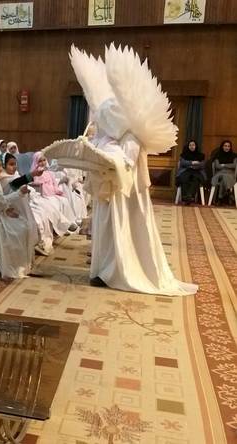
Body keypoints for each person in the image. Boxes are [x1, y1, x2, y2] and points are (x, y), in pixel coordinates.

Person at [69, 44, 197, 295]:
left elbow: (124, 162)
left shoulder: (131, 137)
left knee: (123, 230)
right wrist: (88, 148)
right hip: (107, 194)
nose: (102, 123)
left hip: (125, 196)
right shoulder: (107, 135)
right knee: (104, 231)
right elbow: (99, 149)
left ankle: (118, 270)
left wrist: (102, 156)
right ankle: (101, 270)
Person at [0, 153, 53, 255]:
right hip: (9, 210)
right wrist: (33, 174)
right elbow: (15, 183)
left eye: (15, 164)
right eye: (11, 164)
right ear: (3, 166)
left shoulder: (15, 175)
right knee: (25, 227)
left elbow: (19, 183)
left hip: (21, 207)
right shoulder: (3, 178)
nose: (14, 167)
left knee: (37, 217)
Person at [31, 152, 79, 227]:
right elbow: (37, 185)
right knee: (54, 203)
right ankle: (64, 224)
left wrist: (57, 191)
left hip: (52, 193)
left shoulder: (49, 172)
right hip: (44, 195)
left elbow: (54, 183)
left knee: (64, 200)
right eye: (40, 161)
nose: (43, 163)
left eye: (44, 160)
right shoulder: (36, 173)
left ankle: (71, 221)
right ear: (36, 162)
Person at [176, 139, 206, 204]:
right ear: (188, 146)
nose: (192, 146)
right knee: (184, 178)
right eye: (190, 145)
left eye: (193, 145)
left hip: (197, 171)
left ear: (196, 146)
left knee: (196, 179)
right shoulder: (183, 154)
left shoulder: (201, 155)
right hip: (186, 170)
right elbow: (183, 163)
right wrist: (192, 162)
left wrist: (194, 166)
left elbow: (202, 164)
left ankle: (189, 196)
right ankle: (186, 197)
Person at [209, 140, 236, 205]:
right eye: (225, 146)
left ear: (230, 147)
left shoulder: (234, 155)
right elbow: (217, 166)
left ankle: (220, 198)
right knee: (224, 176)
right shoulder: (217, 155)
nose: (227, 147)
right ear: (222, 147)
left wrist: (223, 165)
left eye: (228, 146)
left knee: (223, 180)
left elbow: (234, 165)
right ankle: (228, 192)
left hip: (230, 173)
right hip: (219, 173)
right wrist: (229, 165)